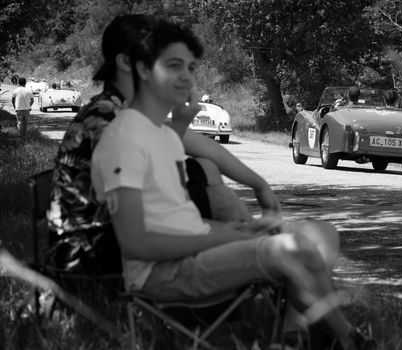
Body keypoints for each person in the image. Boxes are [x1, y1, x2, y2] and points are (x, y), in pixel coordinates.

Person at [91, 17, 374, 350]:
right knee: (293, 249)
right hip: (160, 275)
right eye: (173, 65)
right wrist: (227, 235)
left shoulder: (163, 137)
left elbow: (177, 216)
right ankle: (346, 339)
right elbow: (137, 244)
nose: (187, 77)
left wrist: (235, 230)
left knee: (312, 237)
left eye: (191, 67)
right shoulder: (123, 138)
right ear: (141, 69)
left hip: (194, 253)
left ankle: (306, 337)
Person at [47, 14, 280, 274]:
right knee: (201, 174)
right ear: (127, 62)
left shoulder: (123, 109)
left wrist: (259, 184)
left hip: (114, 235)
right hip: (90, 251)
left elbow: (201, 146)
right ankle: (266, 266)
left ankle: (266, 265)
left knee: (203, 169)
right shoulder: (106, 116)